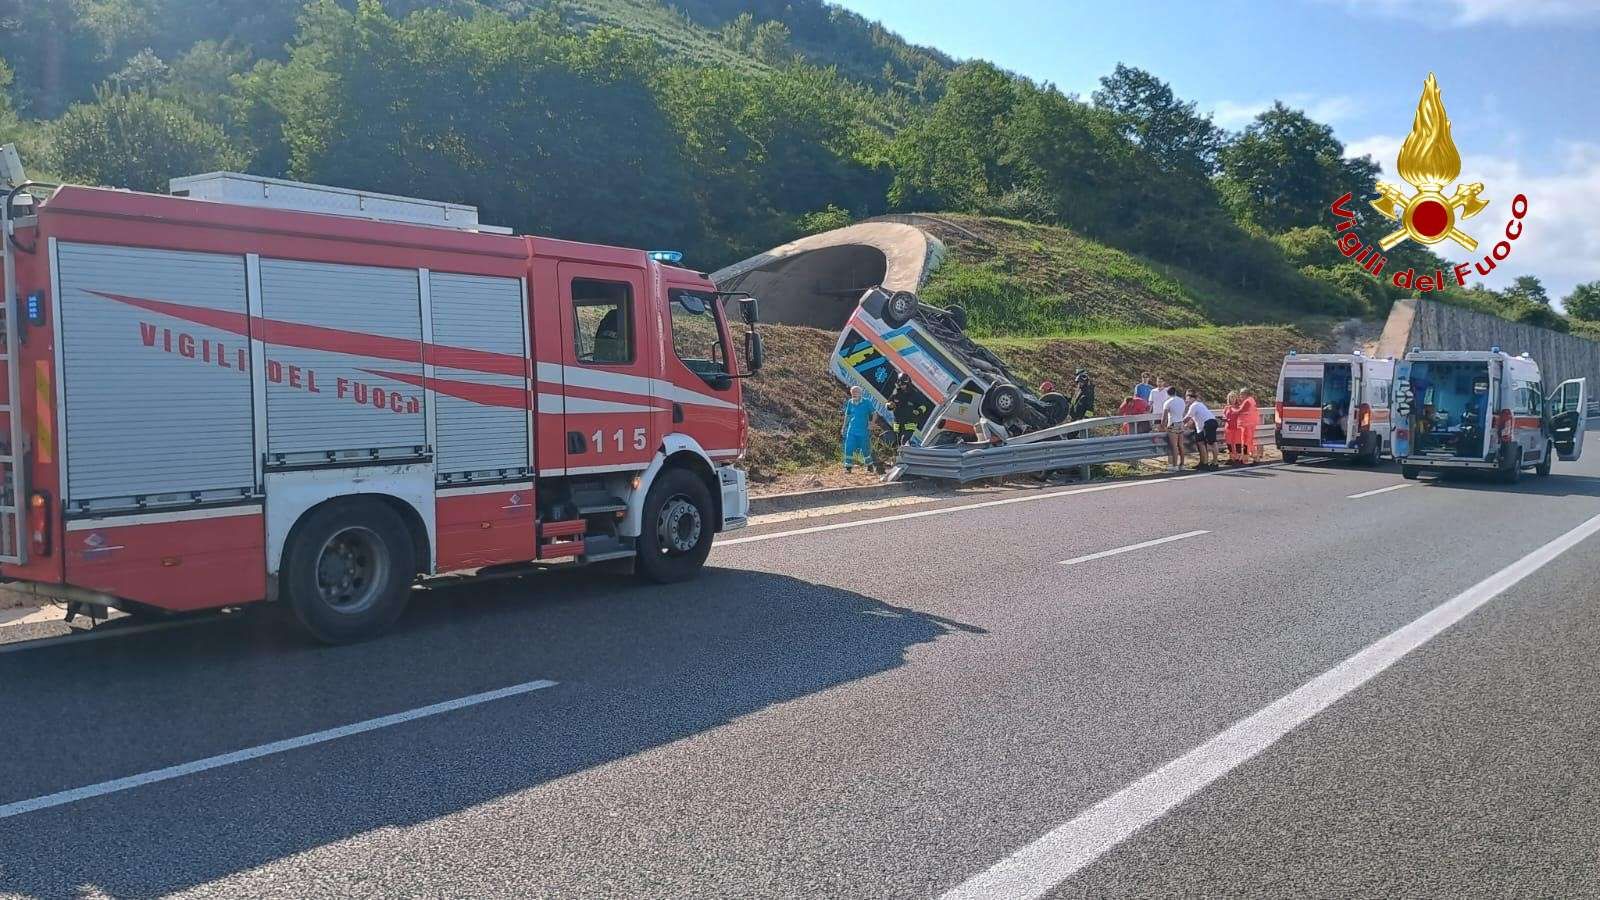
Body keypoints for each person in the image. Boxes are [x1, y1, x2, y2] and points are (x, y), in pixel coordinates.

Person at [841, 385, 876, 472]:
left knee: (865, 449)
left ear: (861, 393)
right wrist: (844, 426)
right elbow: (848, 415)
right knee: (848, 447)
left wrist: (872, 423)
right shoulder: (850, 402)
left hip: (863, 431)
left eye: (856, 392)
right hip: (851, 430)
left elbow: (874, 414)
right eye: (852, 392)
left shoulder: (867, 402)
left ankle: (869, 465)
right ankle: (848, 467)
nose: (854, 394)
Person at [1184, 390, 1219, 469]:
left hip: (1208, 423)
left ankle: (1215, 462)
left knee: (1212, 443)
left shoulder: (1194, 405)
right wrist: (1184, 427)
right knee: (1200, 443)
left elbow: (1187, 418)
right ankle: (1204, 463)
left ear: (1191, 398)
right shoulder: (1198, 405)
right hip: (1203, 426)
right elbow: (1191, 421)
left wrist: (1177, 424)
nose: (1186, 400)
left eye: (1187, 398)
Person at [1159, 385, 1188, 472]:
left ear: (1167, 393)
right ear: (1175, 392)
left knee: (1174, 446)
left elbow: (1164, 418)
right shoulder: (1181, 400)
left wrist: (1162, 427)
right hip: (1181, 423)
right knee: (1181, 445)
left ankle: (1174, 465)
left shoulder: (1168, 402)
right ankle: (1182, 464)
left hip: (1173, 424)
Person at [1239, 389, 1261, 463]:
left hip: (1246, 424)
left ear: (1245, 394)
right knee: (1249, 441)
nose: (1240, 396)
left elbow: (1240, 411)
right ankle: (1255, 456)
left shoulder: (1247, 401)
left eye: (1241, 394)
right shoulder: (1252, 400)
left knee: (1245, 441)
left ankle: (1245, 458)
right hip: (1251, 424)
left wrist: (1231, 410)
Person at [1222, 391, 1243, 464]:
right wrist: (1224, 418)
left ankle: (1238, 458)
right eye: (1231, 397)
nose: (1232, 399)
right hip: (1228, 427)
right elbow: (1224, 415)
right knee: (1229, 443)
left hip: (1237, 428)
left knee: (1237, 443)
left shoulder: (1239, 407)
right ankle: (1231, 458)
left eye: (1234, 397)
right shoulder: (1227, 407)